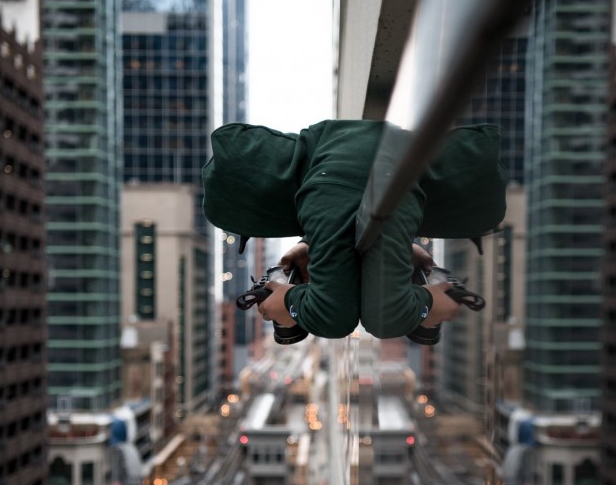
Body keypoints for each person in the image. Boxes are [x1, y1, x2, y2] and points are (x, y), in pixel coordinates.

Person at [202, 119, 507, 344]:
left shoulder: (326, 191)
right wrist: (312, 242)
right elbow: (347, 195)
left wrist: (285, 302)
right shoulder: (328, 143)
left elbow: (345, 318)